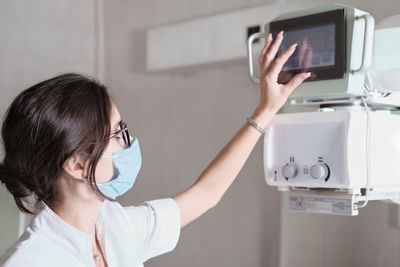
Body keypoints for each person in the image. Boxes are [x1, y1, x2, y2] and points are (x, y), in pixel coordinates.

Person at [0, 31, 310, 267]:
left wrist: (266, 111)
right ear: (77, 165)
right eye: (117, 134)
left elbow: (206, 195)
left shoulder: (116, 226)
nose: (130, 143)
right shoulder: (31, 260)